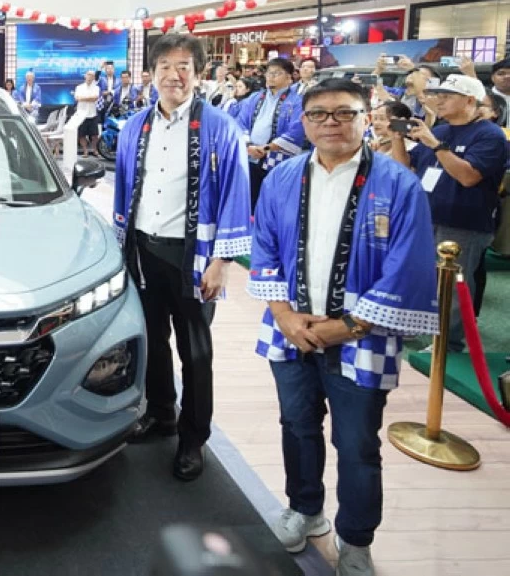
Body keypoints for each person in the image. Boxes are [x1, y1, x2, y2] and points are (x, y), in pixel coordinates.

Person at [249, 78, 439, 576]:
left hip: (364, 336)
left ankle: (355, 539)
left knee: (356, 443)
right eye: (319, 115)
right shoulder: (283, 177)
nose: (331, 123)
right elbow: (265, 246)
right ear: (304, 121)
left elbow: (409, 265)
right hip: (290, 329)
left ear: (365, 115)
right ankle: (306, 511)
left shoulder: (398, 184)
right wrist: (285, 315)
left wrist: (350, 325)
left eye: (344, 113)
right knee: (296, 425)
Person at [116, 35, 251, 482]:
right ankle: (161, 413)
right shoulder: (136, 125)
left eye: (184, 66)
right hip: (144, 251)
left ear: (199, 73)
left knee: (195, 351)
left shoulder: (219, 127)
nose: (174, 74)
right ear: (150, 73)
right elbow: (123, 188)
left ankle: (194, 437)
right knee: (152, 339)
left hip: (193, 257)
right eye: (166, 66)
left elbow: (235, 193)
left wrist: (221, 261)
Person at [390, 74, 508, 352]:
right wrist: (397, 138)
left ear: (470, 100)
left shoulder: (490, 135)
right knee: (420, 275)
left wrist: (435, 145)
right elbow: (406, 167)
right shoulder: (441, 131)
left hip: (464, 222)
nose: (439, 101)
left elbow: (468, 177)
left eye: (447, 96)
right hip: (427, 215)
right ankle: (417, 324)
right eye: (437, 95)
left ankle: (449, 342)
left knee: (454, 285)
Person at [236, 58, 305, 207]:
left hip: (278, 158)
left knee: (273, 202)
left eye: (277, 73)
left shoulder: (298, 101)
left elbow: (297, 130)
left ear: (289, 77)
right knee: (249, 199)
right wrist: (248, 145)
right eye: (269, 73)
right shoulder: (255, 97)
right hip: (251, 155)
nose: (271, 76)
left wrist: (266, 148)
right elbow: (240, 123)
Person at [73, 71, 101, 156]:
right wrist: (89, 98)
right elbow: (77, 98)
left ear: (93, 78)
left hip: (92, 114)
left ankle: (95, 150)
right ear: (85, 76)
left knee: (95, 135)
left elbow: (95, 98)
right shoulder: (79, 87)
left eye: (92, 76)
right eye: (88, 75)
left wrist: (83, 98)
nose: (90, 77)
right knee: (81, 135)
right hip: (81, 114)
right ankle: (85, 151)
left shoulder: (96, 88)